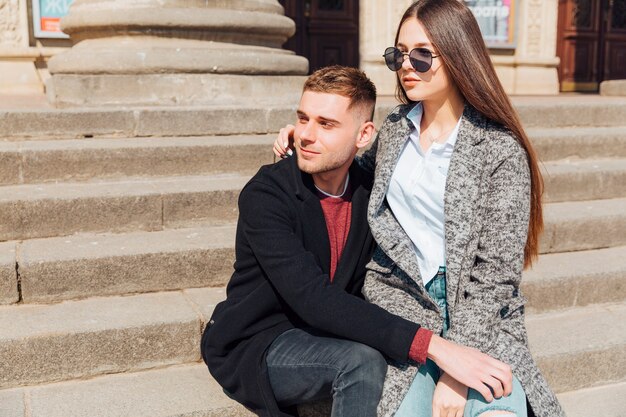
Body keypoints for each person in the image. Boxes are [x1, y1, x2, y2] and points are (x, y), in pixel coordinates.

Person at [273, 2, 565, 417]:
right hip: (402, 304)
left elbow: (495, 276)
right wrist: (307, 133)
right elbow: (352, 170)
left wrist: (456, 371)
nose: (407, 65)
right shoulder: (394, 129)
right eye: (399, 54)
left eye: (422, 55)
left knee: (497, 411)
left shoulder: (499, 150)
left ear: (458, 53)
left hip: (478, 309)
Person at [203, 65, 515, 417]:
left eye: (326, 124)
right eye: (303, 119)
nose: (306, 134)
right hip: (260, 340)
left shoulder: (371, 190)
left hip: (330, 330)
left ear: (364, 135)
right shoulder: (266, 195)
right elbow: (313, 298)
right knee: (361, 361)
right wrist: (436, 347)